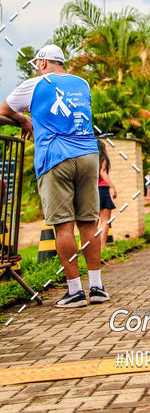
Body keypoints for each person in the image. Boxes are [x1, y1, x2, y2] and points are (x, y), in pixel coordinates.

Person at [0, 44, 108, 307]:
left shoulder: (36, 84)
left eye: (38, 63)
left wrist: (24, 120)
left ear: (43, 63)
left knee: (63, 225)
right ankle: (97, 287)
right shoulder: (82, 83)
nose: (37, 67)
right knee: (89, 223)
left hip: (56, 157)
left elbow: (3, 111)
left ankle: (75, 292)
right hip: (88, 155)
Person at [97, 139, 117, 248]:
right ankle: (102, 246)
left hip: (92, 190)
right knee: (105, 221)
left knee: (93, 221)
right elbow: (102, 172)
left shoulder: (90, 160)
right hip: (102, 190)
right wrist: (112, 186)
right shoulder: (102, 159)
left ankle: (92, 247)